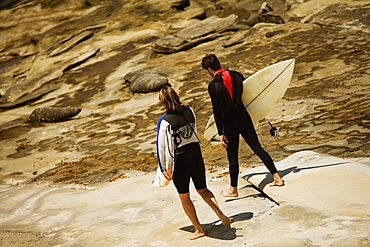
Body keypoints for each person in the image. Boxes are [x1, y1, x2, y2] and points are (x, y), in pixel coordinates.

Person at [201, 54, 284, 197]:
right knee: (258, 148)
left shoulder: (213, 86)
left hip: (230, 123)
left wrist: (221, 132)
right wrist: (260, 112)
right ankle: (277, 178)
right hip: (244, 117)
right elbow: (251, 96)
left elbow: (217, 112)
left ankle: (233, 190)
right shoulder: (236, 75)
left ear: (209, 69)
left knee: (233, 158)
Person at [156, 86, 231, 240]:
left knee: (184, 196)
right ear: (177, 95)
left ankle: (199, 229)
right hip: (196, 155)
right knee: (203, 189)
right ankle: (220, 213)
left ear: (162, 102)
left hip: (181, 160)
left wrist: (164, 167)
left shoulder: (164, 121)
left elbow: (162, 146)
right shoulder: (190, 111)